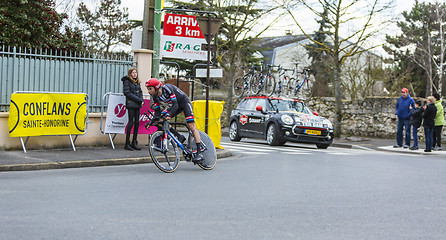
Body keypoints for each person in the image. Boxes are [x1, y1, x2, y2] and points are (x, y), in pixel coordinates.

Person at [145, 78, 204, 163]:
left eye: (150, 89)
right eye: (148, 89)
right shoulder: (155, 96)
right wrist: (151, 122)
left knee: (191, 125)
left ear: (157, 87)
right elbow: (157, 112)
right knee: (160, 120)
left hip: (184, 103)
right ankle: (179, 136)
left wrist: (169, 115)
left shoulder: (167, 88)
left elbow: (175, 105)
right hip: (174, 106)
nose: (149, 91)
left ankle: (199, 152)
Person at [121, 67, 144, 151]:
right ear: (130, 74)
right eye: (133, 72)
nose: (135, 74)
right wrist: (139, 100)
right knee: (131, 122)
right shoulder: (127, 81)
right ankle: (127, 143)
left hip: (137, 105)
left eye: (136, 72)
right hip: (131, 104)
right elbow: (127, 93)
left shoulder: (137, 82)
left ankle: (134, 141)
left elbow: (140, 92)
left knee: (137, 122)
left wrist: (142, 99)